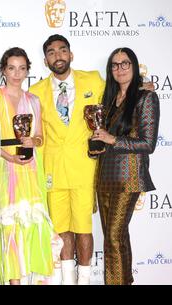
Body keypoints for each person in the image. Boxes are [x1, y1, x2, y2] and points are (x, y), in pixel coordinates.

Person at [29, 34, 105, 285]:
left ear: (71, 55)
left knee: (84, 227)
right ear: (45, 60)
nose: (58, 56)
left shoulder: (93, 79)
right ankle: (68, 279)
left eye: (62, 51)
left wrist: (141, 86)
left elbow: (119, 98)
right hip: (53, 170)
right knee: (62, 229)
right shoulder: (36, 92)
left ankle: (84, 280)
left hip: (84, 168)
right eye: (51, 52)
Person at [0, 47, 62, 285]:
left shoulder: (34, 101)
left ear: (28, 70)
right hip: (3, 167)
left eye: (22, 68)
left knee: (33, 223)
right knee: (9, 225)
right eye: (11, 68)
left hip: (30, 168)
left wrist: (33, 141)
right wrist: (7, 156)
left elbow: (40, 137)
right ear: (3, 70)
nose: (17, 74)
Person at [91, 48, 160, 285]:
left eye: (125, 63)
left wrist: (112, 139)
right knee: (118, 238)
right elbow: (103, 139)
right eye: (114, 65)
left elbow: (148, 144)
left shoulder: (145, 97)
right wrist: (97, 146)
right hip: (105, 177)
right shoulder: (108, 99)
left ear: (134, 66)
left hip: (128, 177)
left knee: (112, 237)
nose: (119, 68)